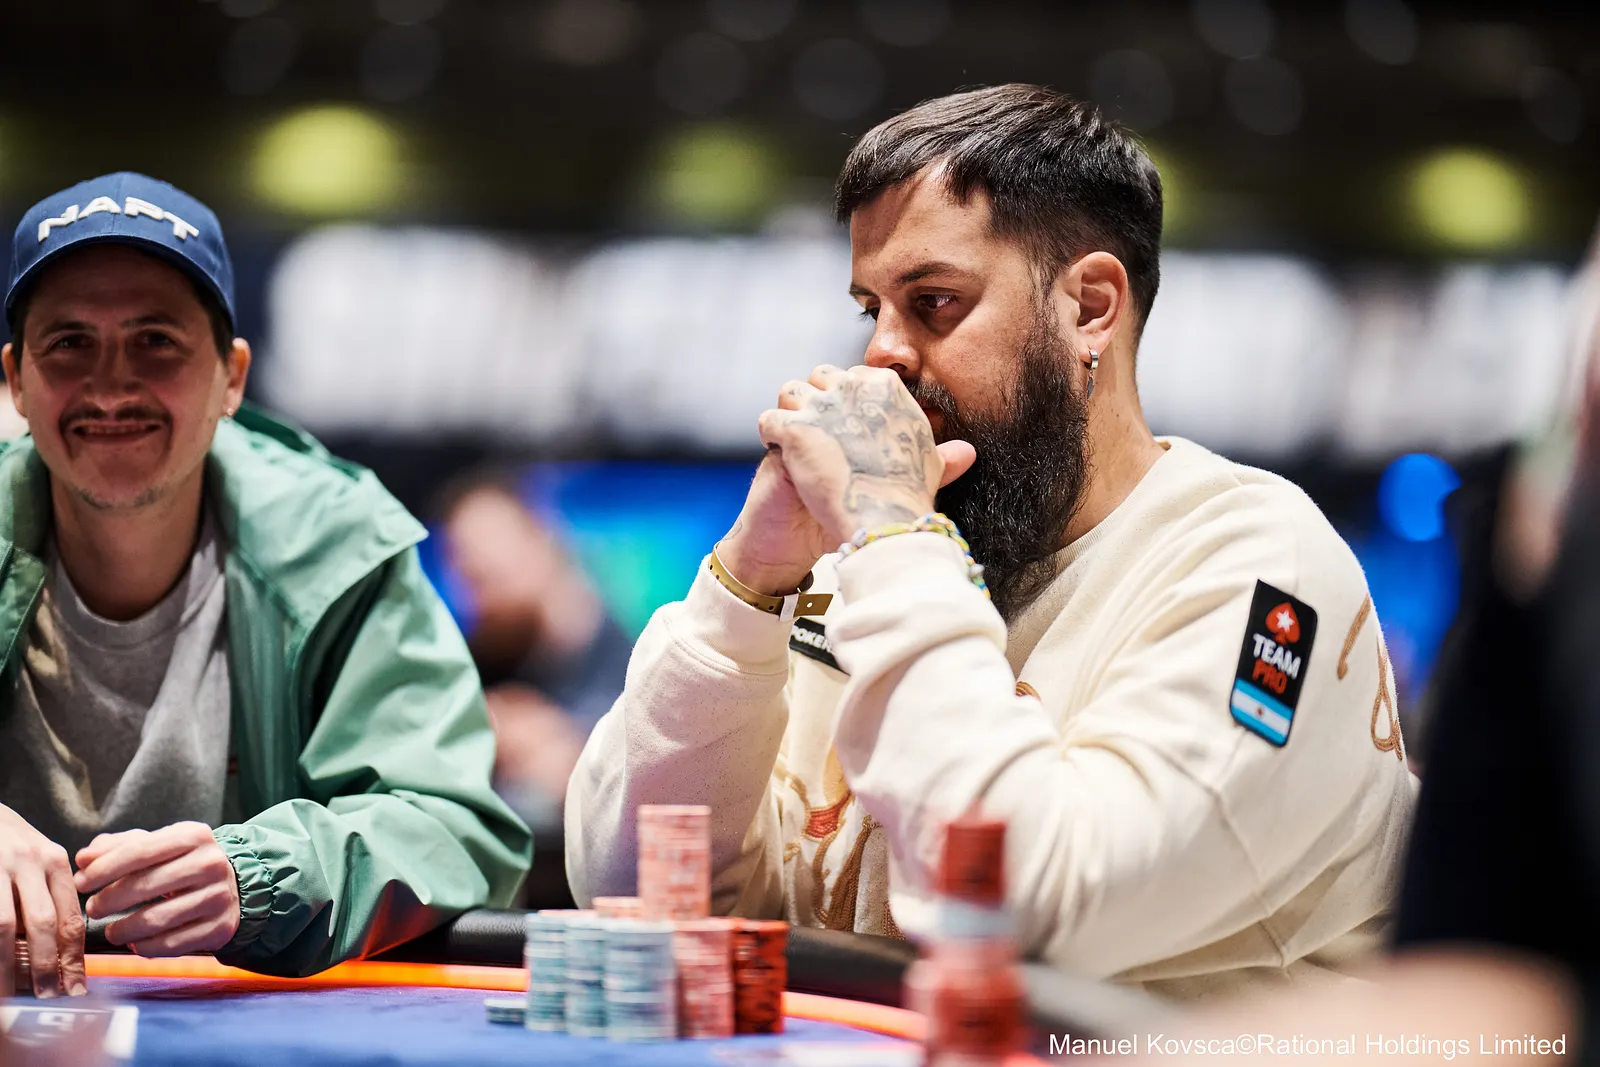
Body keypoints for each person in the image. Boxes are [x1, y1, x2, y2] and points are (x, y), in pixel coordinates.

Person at [565, 85, 1417, 998]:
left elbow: (1038, 908)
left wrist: (893, 534)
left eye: (933, 302)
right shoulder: (875, 563)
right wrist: (749, 582)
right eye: (870, 308)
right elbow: (635, 885)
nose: (881, 354)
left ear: (1091, 307)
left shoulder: (1256, 562)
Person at [0, 172, 531, 997]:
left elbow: (454, 828)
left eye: (156, 340)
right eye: (69, 342)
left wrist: (268, 874)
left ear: (232, 378)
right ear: (16, 380)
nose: (110, 387)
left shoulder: (340, 547)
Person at [436, 475, 633, 828]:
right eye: (466, 576)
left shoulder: (640, 665)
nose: (470, 598)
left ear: (541, 539)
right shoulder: (480, 663)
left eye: (487, 577)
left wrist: (579, 755)